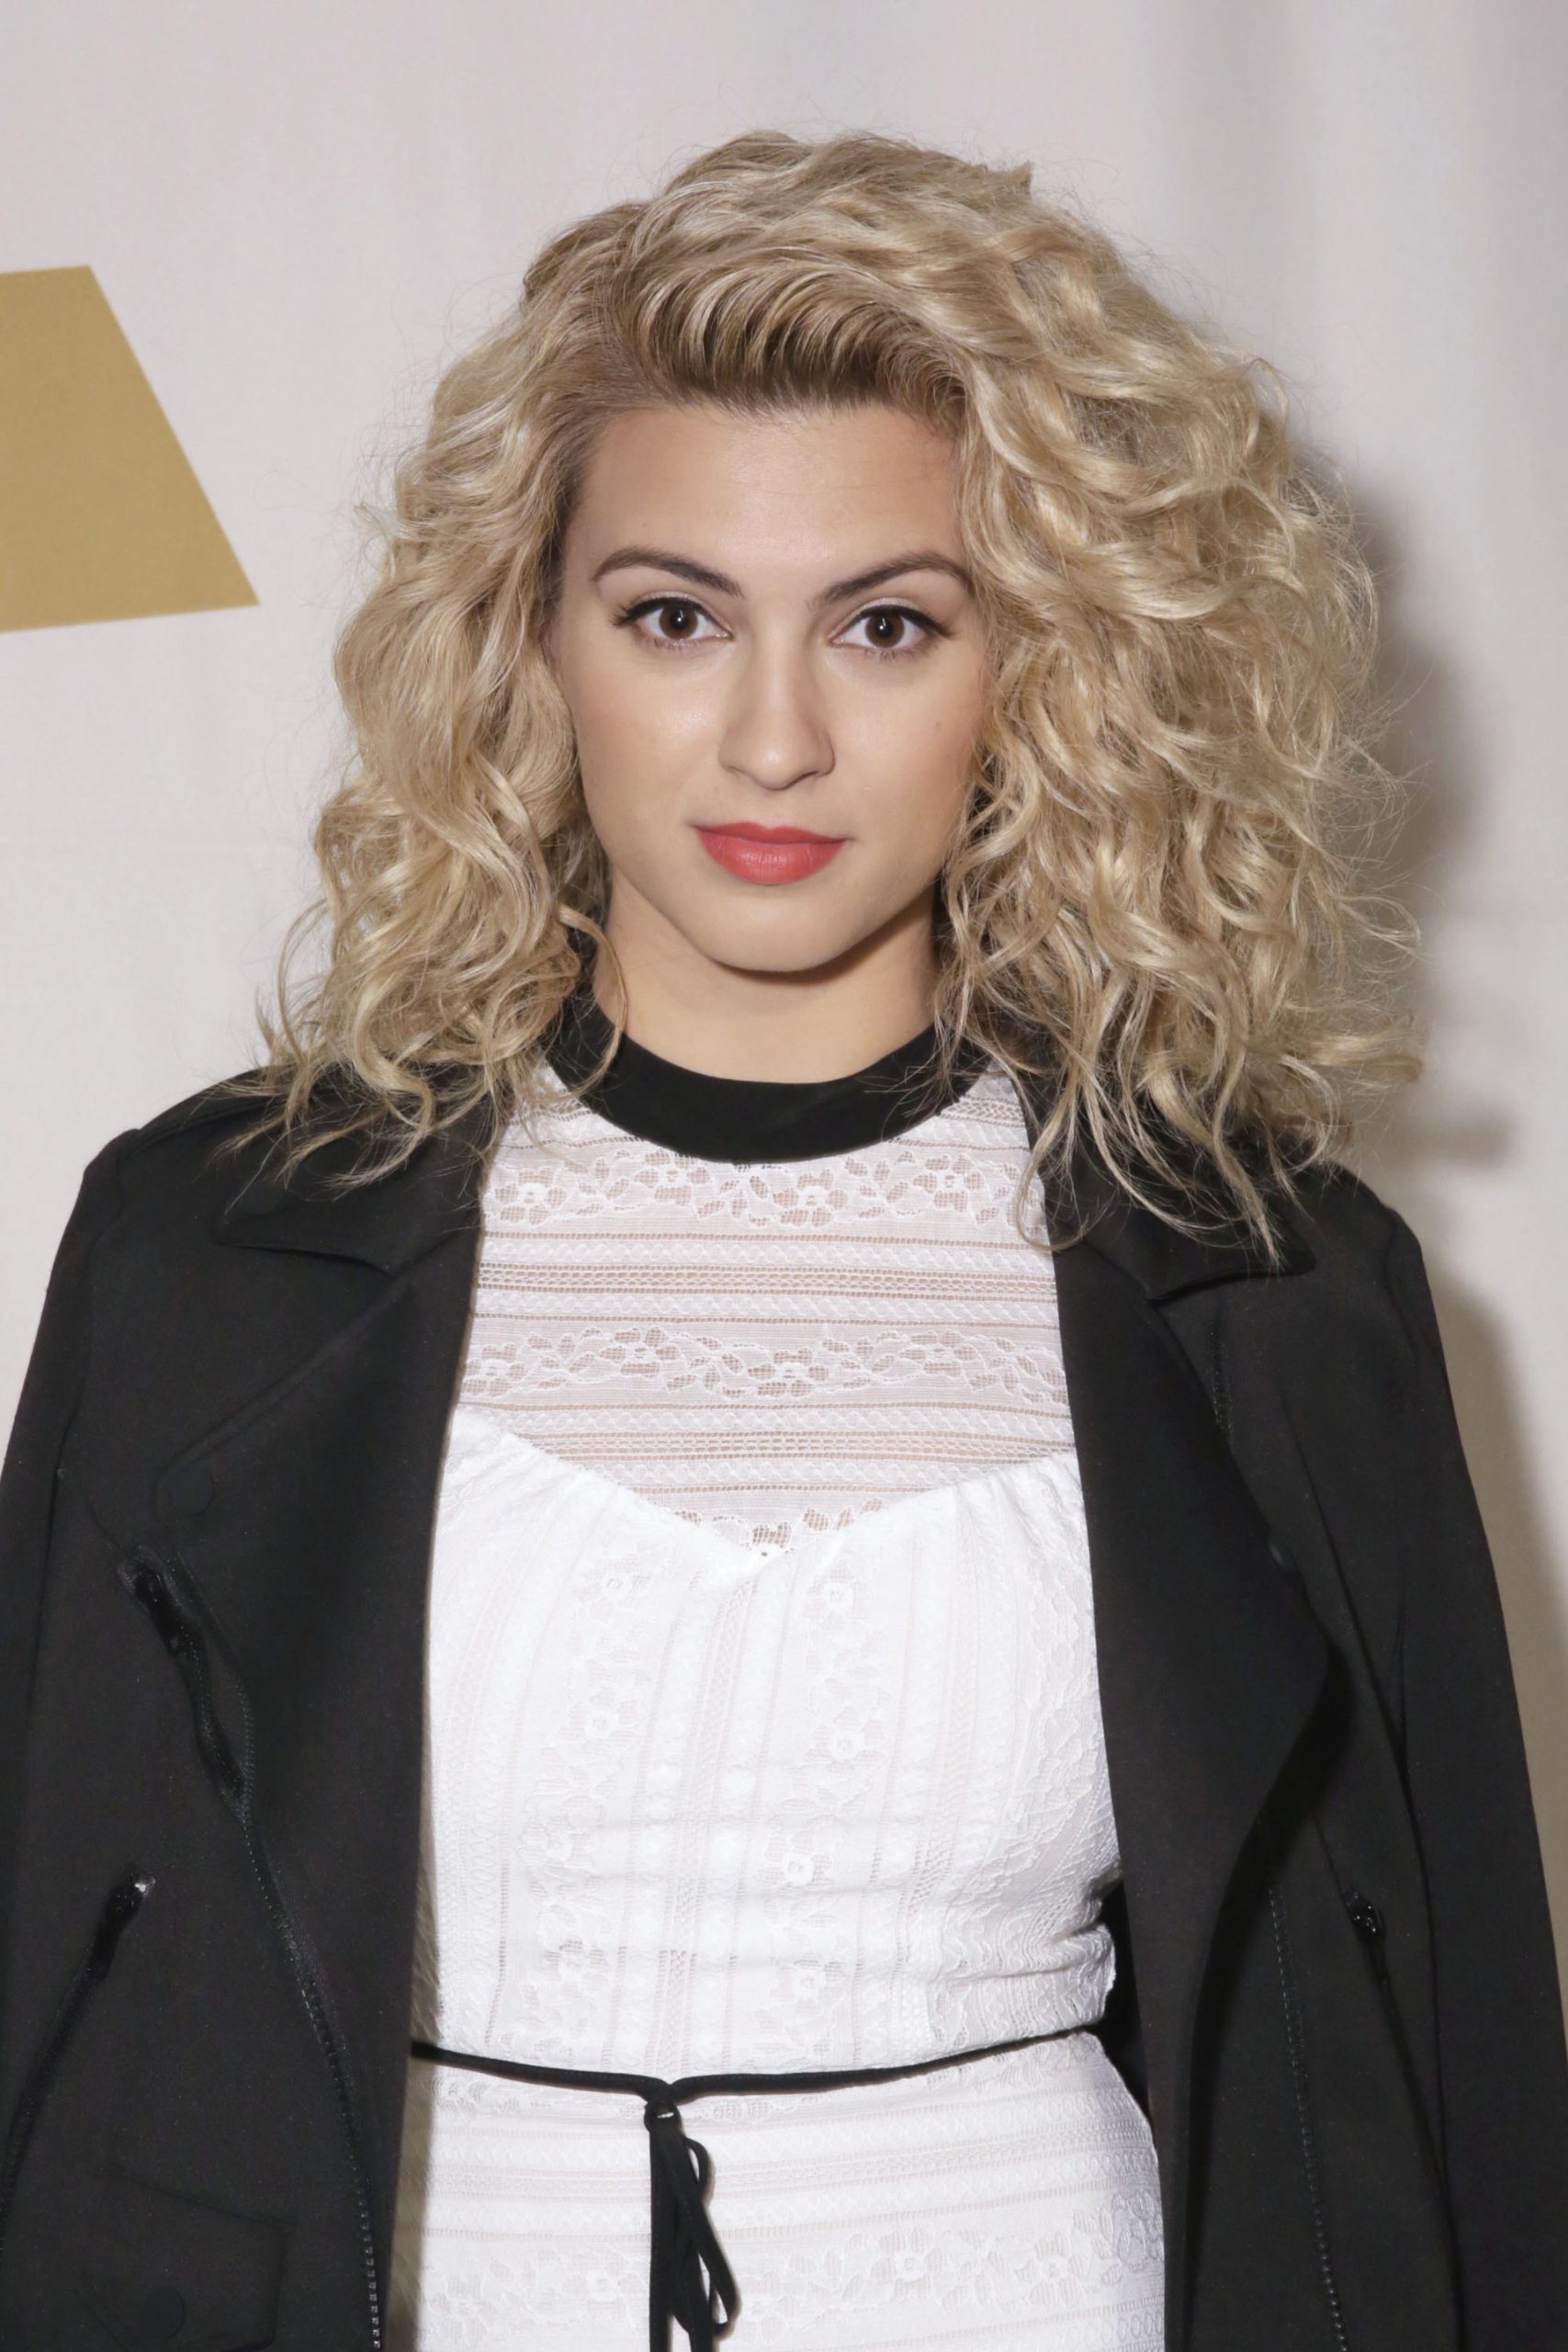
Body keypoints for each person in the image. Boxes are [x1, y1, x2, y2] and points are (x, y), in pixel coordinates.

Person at [1, 127, 1564, 2352]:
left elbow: (1450, 2063)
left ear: (1041, 667)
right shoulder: (210, 1246)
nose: (771, 736)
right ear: (535, 643)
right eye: (674, 614)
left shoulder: (1271, 1283)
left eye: (886, 623)